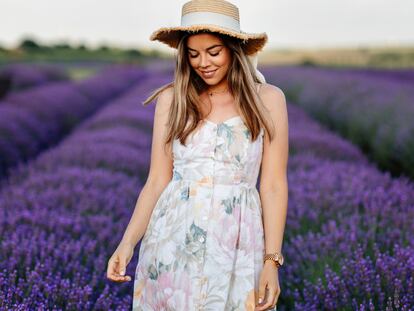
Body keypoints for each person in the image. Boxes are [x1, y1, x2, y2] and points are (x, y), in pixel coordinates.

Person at [106, 0, 289, 310]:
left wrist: (272, 260)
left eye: (213, 52)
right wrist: (127, 243)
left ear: (235, 49)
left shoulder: (268, 99)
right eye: (193, 54)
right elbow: (156, 181)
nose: (203, 62)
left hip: (237, 245)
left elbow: (272, 185)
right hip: (172, 238)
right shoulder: (171, 99)